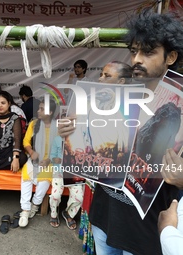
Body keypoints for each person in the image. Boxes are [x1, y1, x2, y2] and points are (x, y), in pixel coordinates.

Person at [87, 10, 183, 255]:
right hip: (104, 218)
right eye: (133, 51)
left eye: (148, 52)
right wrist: (72, 132)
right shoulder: (114, 96)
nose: (137, 59)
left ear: (170, 56)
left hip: (144, 232)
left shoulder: (179, 107)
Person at [78, 61, 133, 255]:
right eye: (101, 74)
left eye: (107, 76)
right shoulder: (92, 107)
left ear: (123, 82)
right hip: (100, 191)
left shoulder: (130, 115)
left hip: (125, 197)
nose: (100, 79)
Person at [19, 99, 57, 227]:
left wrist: (49, 160)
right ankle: (25, 210)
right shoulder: (34, 124)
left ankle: (35, 205)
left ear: (50, 112)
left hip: (49, 162)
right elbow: (26, 142)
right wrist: (31, 152)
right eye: (39, 108)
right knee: (26, 177)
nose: (38, 111)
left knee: (44, 181)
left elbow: (61, 148)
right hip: (34, 159)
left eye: (42, 109)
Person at [49, 135, 84, 229]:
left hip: (73, 173)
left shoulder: (80, 139)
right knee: (55, 195)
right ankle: (53, 213)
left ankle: (68, 213)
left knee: (79, 197)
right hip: (59, 172)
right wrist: (56, 159)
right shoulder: (57, 139)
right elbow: (52, 156)